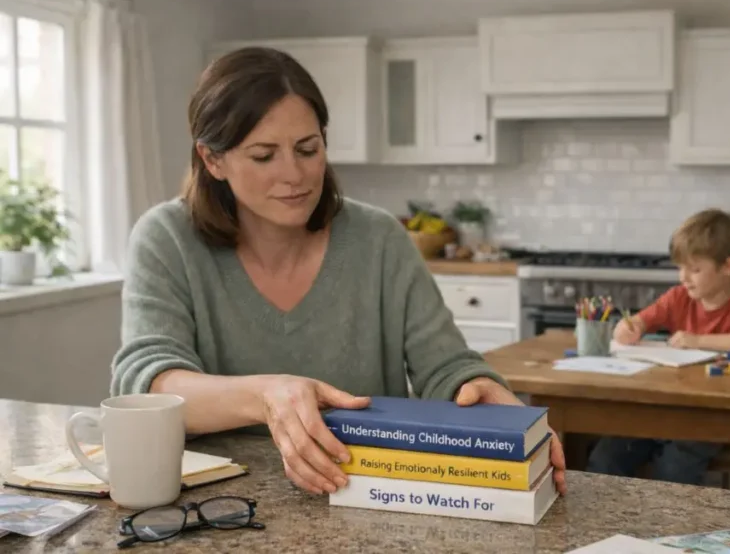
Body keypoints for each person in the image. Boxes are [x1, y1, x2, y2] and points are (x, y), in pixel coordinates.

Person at [110, 46, 566, 497]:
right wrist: (269, 396)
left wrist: (482, 392)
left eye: (308, 148)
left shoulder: (378, 238)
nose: (295, 174)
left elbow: (446, 366)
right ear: (213, 160)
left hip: (368, 493)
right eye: (264, 155)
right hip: (220, 507)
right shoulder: (166, 237)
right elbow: (150, 383)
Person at [586, 208, 730, 485]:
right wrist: (630, 328)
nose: (683, 278)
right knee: (606, 457)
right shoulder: (678, 297)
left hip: (712, 418)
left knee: (673, 471)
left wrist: (697, 341)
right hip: (661, 410)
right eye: (680, 268)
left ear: (728, 267)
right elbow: (634, 323)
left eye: (695, 269)